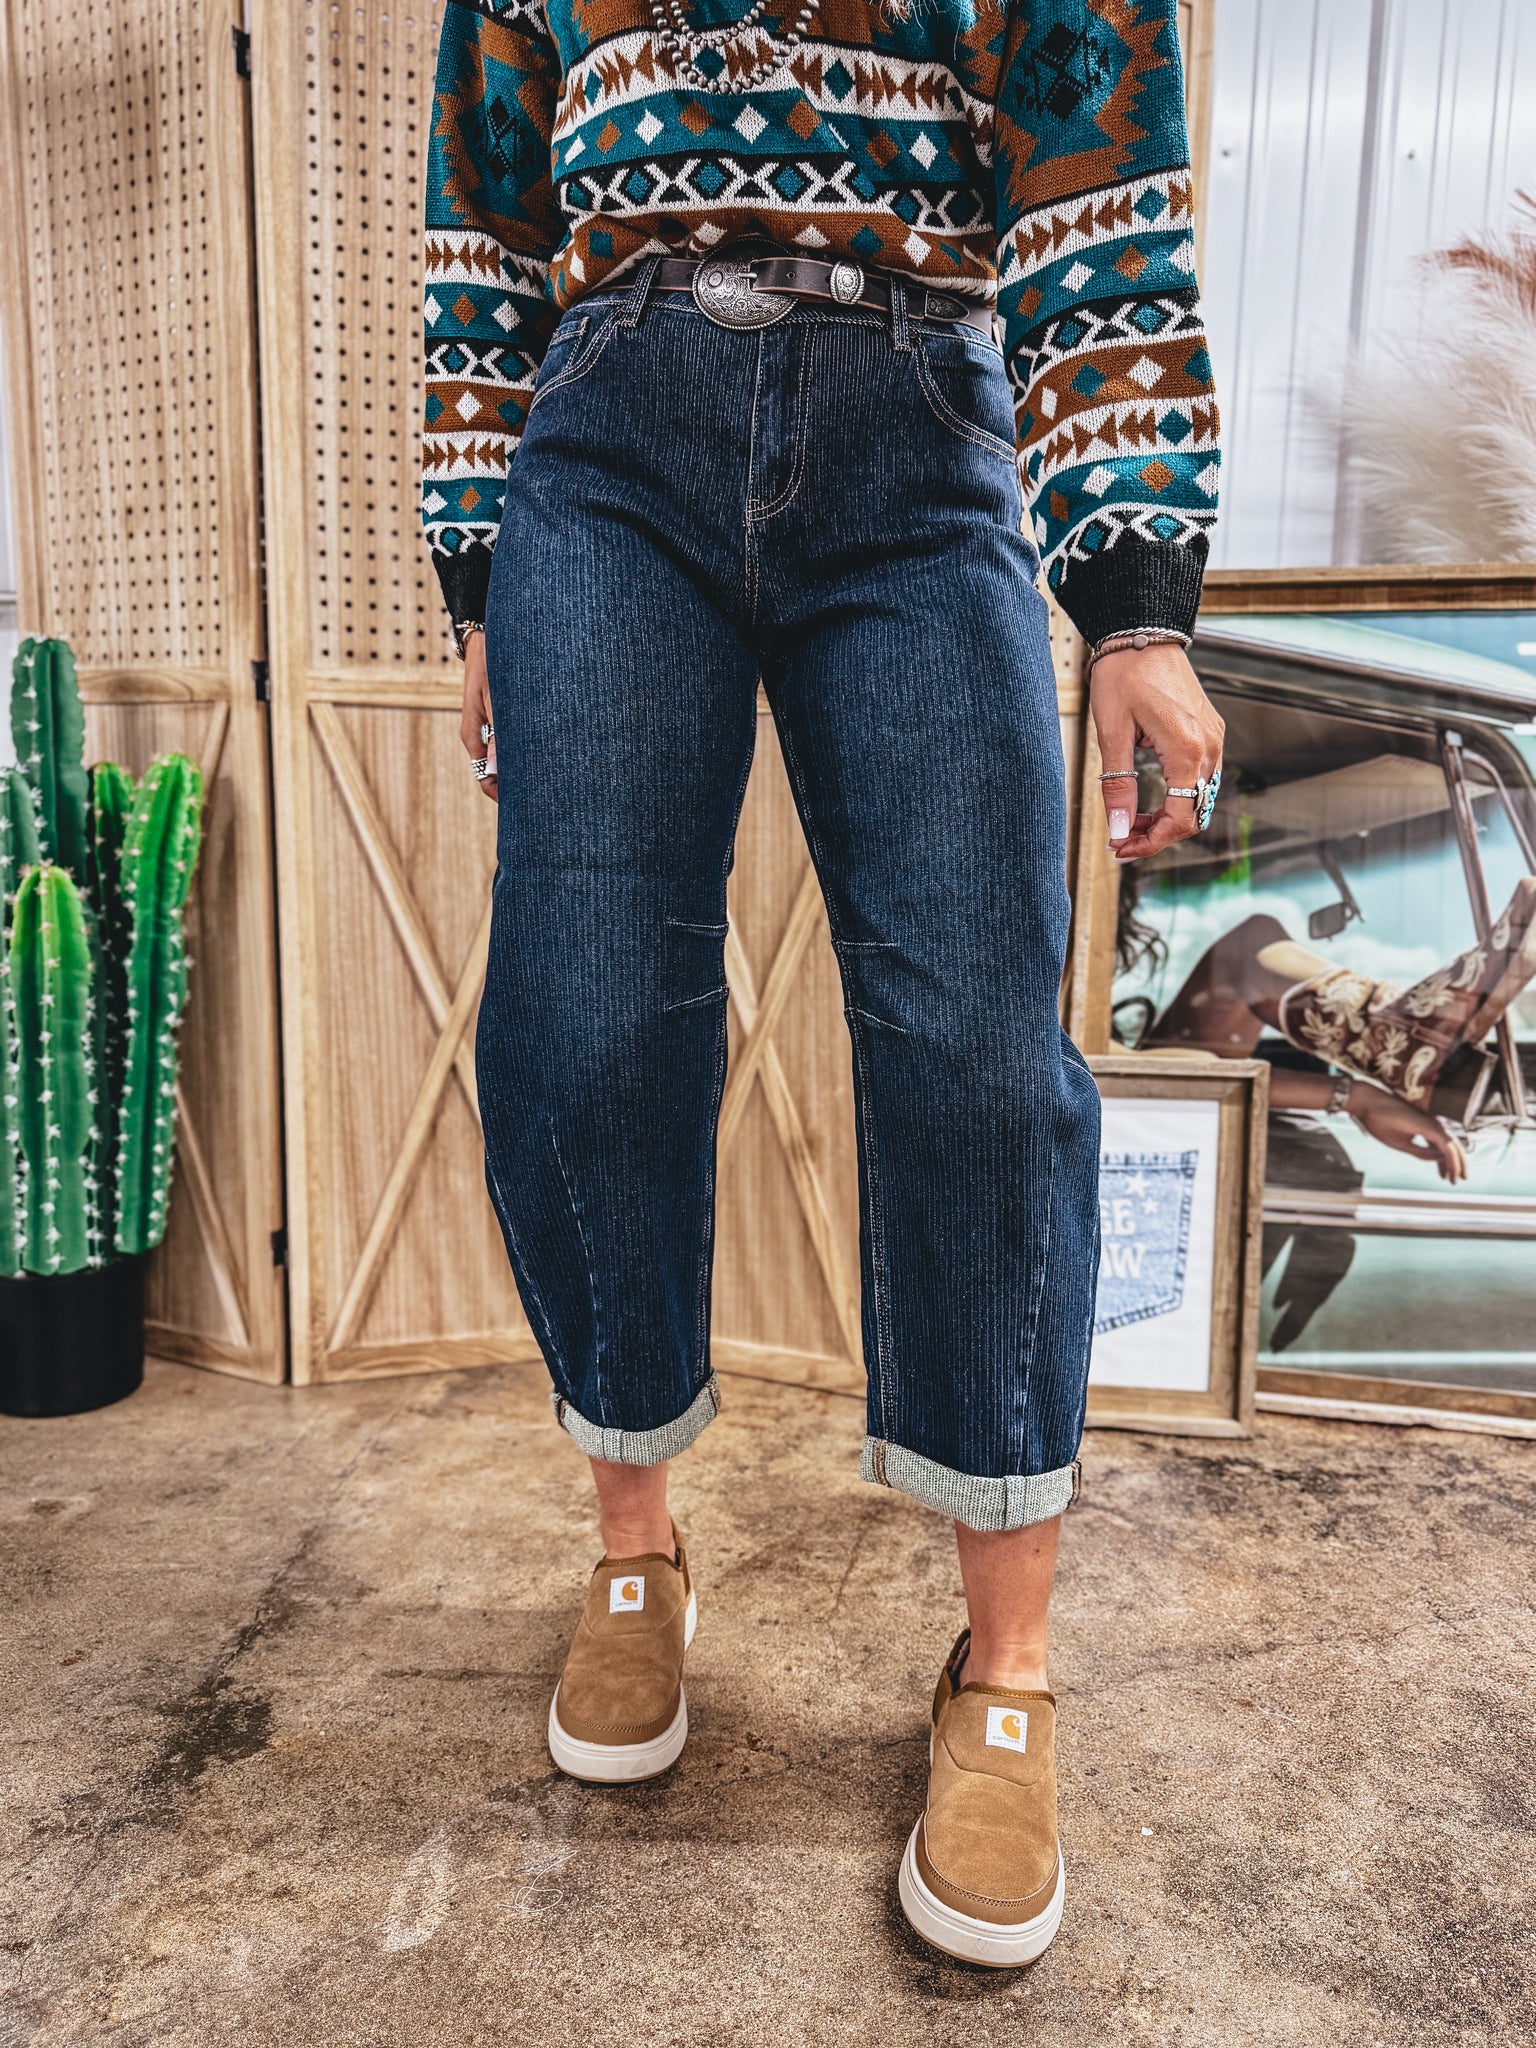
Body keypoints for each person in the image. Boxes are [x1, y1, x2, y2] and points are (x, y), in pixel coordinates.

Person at [422, 0, 1224, 1966]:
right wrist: (476, 579)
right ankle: (634, 1552)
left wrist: (1136, 603)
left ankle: (1006, 1670)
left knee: (975, 1051)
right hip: (605, 446)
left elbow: (1102, 170)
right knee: (582, 1023)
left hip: (918, 420)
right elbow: (482, 221)